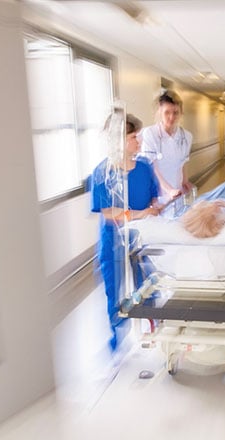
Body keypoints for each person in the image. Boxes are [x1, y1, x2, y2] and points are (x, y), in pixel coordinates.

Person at [88, 111, 161, 352]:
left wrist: (153, 209)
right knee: (115, 288)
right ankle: (116, 332)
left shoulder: (144, 168)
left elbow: (153, 197)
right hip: (113, 241)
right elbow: (108, 212)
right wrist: (140, 214)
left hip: (141, 237)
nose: (139, 141)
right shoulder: (102, 173)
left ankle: (153, 323)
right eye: (133, 137)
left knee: (147, 282)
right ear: (118, 141)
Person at [139, 91, 194, 213]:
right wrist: (169, 191)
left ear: (181, 113)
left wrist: (185, 182)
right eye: (167, 112)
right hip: (157, 195)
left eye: (176, 113)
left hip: (178, 193)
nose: (171, 117)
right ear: (160, 112)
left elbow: (183, 162)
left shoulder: (187, 136)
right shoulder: (150, 134)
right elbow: (152, 167)